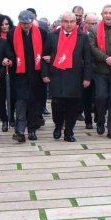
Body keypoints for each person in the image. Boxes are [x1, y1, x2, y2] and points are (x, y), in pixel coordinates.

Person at [42, 12, 93, 142]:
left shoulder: (82, 37)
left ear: (75, 22)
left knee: (73, 105)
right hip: (57, 75)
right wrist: (45, 74)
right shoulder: (52, 36)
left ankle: (69, 131)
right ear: (61, 22)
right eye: (66, 21)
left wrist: (87, 78)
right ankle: (58, 126)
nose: (69, 24)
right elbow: (44, 56)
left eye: (72, 21)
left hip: (75, 75)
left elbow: (87, 59)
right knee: (57, 104)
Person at [6, 10, 48, 142]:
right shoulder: (12, 34)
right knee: (20, 102)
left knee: (34, 103)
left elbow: (46, 52)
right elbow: (9, 52)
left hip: (36, 74)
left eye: (27, 23)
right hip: (20, 74)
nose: (25, 26)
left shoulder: (42, 33)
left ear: (32, 21)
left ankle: (32, 130)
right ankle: (19, 131)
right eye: (22, 23)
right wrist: (10, 60)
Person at [88, 4, 111, 139]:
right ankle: (100, 120)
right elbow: (92, 47)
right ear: (102, 14)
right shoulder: (93, 29)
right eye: (106, 13)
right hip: (100, 71)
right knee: (101, 97)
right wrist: (106, 59)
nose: (108, 15)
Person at [80, 13, 100, 129]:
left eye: (95, 23)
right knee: (86, 97)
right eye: (91, 23)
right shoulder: (81, 36)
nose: (93, 25)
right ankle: (88, 120)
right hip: (84, 70)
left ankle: (98, 115)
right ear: (86, 23)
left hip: (98, 69)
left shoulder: (101, 34)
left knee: (99, 96)